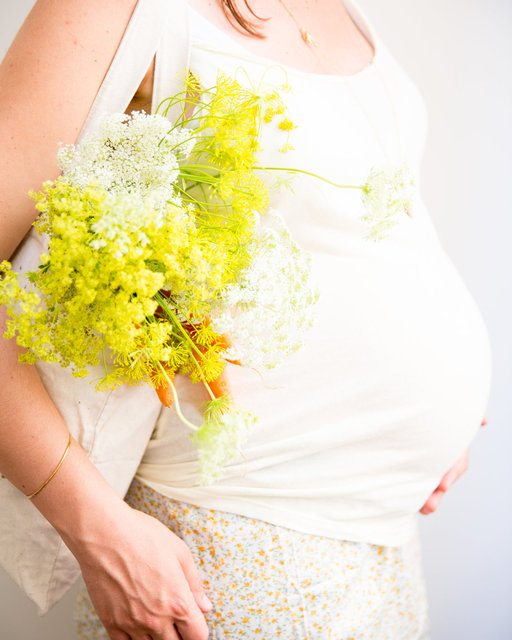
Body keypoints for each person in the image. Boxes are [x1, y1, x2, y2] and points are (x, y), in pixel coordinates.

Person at [0, 0, 491, 638]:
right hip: (234, 549)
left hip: (389, 547)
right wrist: (98, 530)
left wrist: (437, 406)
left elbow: (369, 234)